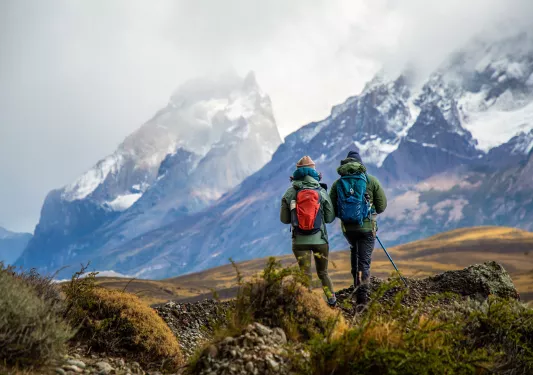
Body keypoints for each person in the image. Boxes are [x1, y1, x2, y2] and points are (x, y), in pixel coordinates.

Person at [280, 155, 337, 306]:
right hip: (320, 240)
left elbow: (284, 219)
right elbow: (330, 218)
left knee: (305, 275)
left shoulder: (289, 192)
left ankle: (308, 305)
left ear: (297, 172)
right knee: (323, 273)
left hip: (299, 242)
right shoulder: (321, 191)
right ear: (314, 171)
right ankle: (332, 301)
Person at [329, 150, 387, 291]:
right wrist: (368, 211)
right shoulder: (371, 180)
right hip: (367, 229)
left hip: (348, 229)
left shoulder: (338, 184)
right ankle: (362, 304)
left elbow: (331, 210)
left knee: (355, 253)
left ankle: (356, 289)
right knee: (364, 263)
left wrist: (346, 215)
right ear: (360, 164)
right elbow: (382, 206)